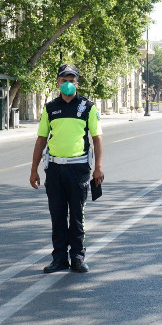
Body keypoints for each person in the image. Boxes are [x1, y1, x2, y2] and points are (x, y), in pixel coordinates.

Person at [30, 64, 104, 274]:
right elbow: (41, 140)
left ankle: (78, 258)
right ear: (58, 83)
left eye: (72, 80)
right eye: (64, 80)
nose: (68, 84)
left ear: (77, 83)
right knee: (57, 215)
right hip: (54, 169)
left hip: (78, 168)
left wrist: (98, 167)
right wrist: (33, 169)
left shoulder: (87, 107)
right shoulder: (50, 108)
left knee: (77, 216)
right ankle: (59, 258)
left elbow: (97, 139)